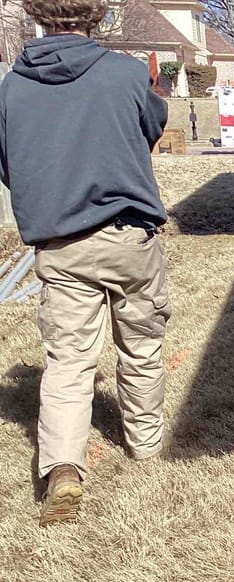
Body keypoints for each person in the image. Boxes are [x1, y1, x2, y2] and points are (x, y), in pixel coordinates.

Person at [0, 0, 171, 525]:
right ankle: (145, 447)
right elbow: (152, 128)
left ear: (37, 14)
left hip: (60, 243)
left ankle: (63, 468)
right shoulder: (123, 74)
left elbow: (10, 166)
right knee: (141, 344)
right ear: (97, 16)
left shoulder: (10, 86)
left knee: (69, 361)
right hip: (127, 239)